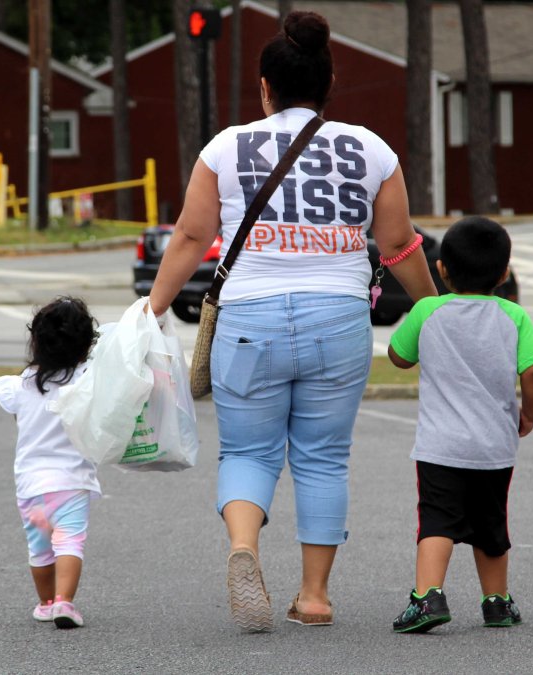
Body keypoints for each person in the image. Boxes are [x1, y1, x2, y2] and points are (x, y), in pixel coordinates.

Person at [147, 11, 439, 632]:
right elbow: (398, 245)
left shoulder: (225, 147)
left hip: (249, 318)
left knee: (249, 452)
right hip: (338, 318)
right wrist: (435, 306)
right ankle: (314, 596)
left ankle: (243, 548)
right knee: (324, 459)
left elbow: (193, 234)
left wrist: (151, 308)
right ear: (329, 82)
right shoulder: (372, 149)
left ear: (264, 87)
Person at [386, 216, 533, 633]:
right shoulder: (514, 317)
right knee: (491, 525)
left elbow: (398, 356)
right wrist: (528, 412)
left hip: (440, 446)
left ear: (441, 269)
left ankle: (428, 598)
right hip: (495, 447)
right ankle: (496, 602)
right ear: (503, 272)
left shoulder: (428, 311)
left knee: (437, 521)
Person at [0, 296, 100, 629]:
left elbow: (12, 407)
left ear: (35, 341)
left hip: (31, 488)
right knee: (69, 542)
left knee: (40, 549)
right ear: (85, 346)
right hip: (71, 482)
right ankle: (65, 602)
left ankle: (45, 602)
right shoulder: (86, 380)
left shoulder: (20, 385)